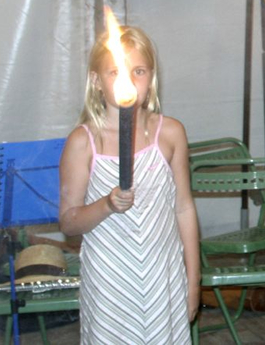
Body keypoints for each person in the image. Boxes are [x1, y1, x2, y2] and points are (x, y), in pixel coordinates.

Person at [59, 25, 199, 344]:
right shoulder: (83, 142)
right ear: (96, 81)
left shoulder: (171, 133)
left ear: (151, 77)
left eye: (139, 71)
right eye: (115, 72)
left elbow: (184, 208)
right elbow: (69, 222)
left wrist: (193, 281)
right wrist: (106, 205)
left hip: (163, 279)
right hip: (110, 285)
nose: (130, 81)